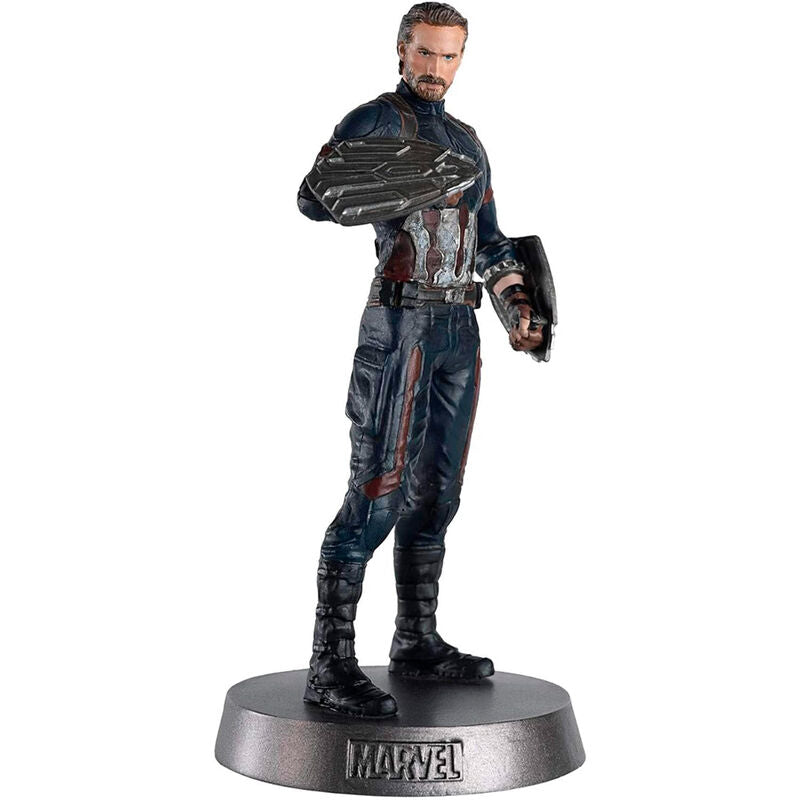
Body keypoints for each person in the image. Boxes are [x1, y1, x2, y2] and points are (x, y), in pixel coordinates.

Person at [297, 2, 546, 717]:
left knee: (437, 495)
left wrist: (517, 307)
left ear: (462, 59)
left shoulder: (468, 142)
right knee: (376, 492)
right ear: (402, 50)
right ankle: (329, 665)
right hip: (399, 322)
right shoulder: (375, 120)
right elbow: (315, 197)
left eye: (449, 55)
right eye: (427, 53)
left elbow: (489, 239)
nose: (437, 68)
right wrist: (375, 179)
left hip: (458, 329)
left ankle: (416, 641)